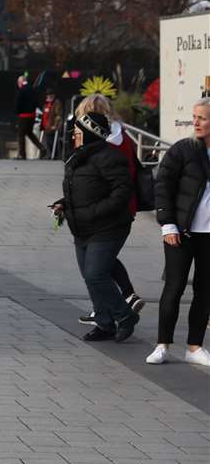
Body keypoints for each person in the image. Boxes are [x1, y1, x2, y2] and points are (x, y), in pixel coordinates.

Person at [53, 109, 140, 342]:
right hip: (82, 226)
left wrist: (94, 212)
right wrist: (63, 205)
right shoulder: (77, 156)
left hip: (109, 227)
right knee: (90, 276)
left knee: (95, 274)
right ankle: (104, 324)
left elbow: (122, 192)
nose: (74, 136)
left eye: (79, 133)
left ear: (91, 133)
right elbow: (79, 190)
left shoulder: (109, 157)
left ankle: (125, 317)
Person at [73, 95, 145, 326]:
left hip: (109, 211)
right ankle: (116, 302)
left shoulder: (107, 143)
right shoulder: (120, 136)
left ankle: (118, 306)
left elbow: (116, 182)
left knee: (97, 265)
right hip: (111, 209)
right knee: (100, 261)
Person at [148, 97, 210, 366]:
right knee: (174, 287)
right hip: (181, 233)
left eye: (202, 118)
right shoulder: (183, 150)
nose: (195, 122)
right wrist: (167, 224)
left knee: (205, 290)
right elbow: (163, 186)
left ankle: (194, 347)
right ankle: (162, 345)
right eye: (194, 117)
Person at [15, 76, 42, 160]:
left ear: (20, 82)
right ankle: (42, 147)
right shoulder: (32, 89)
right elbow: (37, 102)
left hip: (23, 116)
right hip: (32, 115)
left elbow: (18, 103)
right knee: (29, 133)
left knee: (21, 135)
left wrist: (17, 113)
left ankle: (22, 154)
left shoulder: (21, 90)